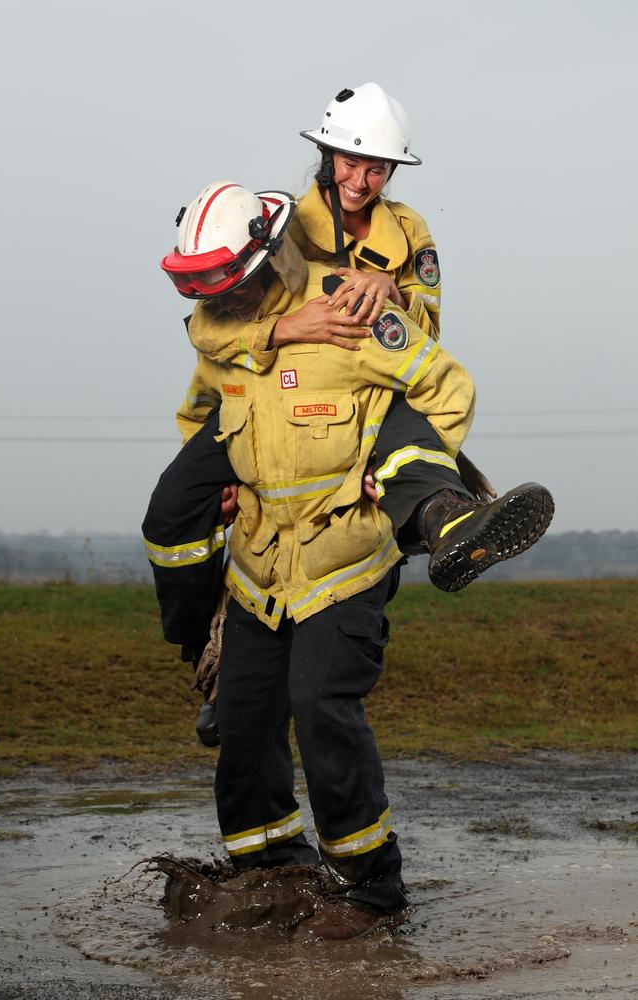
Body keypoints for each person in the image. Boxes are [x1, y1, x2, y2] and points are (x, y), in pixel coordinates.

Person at [157, 180, 553, 939]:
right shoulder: (225, 334)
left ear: (270, 259)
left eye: (235, 286)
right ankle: (265, 863)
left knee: (321, 707)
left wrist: (387, 465)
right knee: (243, 727)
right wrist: (223, 490)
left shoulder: (354, 309)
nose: (227, 302)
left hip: (344, 559)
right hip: (258, 567)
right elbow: (197, 415)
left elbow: (447, 389)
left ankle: (372, 887)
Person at [143, 84, 553, 746]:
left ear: (393, 171)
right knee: (244, 546)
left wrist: (389, 289)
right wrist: (283, 331)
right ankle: (223, 677)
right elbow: (215, 318)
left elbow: (429, 333)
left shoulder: (411, 231)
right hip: (282, 401)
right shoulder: (283, 227)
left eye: (377, 168)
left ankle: (446, 525)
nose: (360, 180)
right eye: (348, 162)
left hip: (373, 393)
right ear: (325, 153)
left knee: (382, 490)